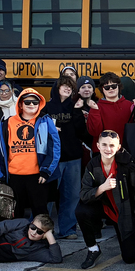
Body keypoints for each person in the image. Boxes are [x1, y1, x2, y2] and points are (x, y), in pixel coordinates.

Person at [76, 130, 135, 269]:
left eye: (112, 145)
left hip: (123, 212)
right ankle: (93, 249)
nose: (108, 149)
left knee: (130, 258)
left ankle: (130, 235)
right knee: (81, 210)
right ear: (98, 146)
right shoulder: (92, 164)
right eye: (104, 145)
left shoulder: (129, 166)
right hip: (104, 208)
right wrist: (102, 188)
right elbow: (84, 194)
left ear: (118, 147)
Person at [0, 88, 60, 219]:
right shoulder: (7, 122)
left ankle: (43, 238)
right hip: (13, 176)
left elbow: (55, 148)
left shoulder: (46, 121)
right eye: (27, 102)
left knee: (40, 212)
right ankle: (16, 239)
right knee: (14, 213)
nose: (31, 105)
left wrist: (46, 170)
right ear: (20, 104)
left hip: (37, 176)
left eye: (35, 102)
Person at [45, 75, 87, 240]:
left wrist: (77, 112)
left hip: (72, 158)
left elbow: (82, 132)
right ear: (57, 88)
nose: (68, 89)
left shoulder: (75, 106)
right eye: (64, 86)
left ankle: (68, 229)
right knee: (47, 196)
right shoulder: (46, 108)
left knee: (71, 195)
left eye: (70, 87)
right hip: (52, 159)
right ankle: (43, 229)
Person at [86, 72, 134, 148]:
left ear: (119, 86)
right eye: (107, 87)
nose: (111, 89)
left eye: (114, 86)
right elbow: (94, 132)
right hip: (103, 151)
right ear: (102, 89)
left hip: (126, 150)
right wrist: (95, 111)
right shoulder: (96, 107)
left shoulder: (130, 105)